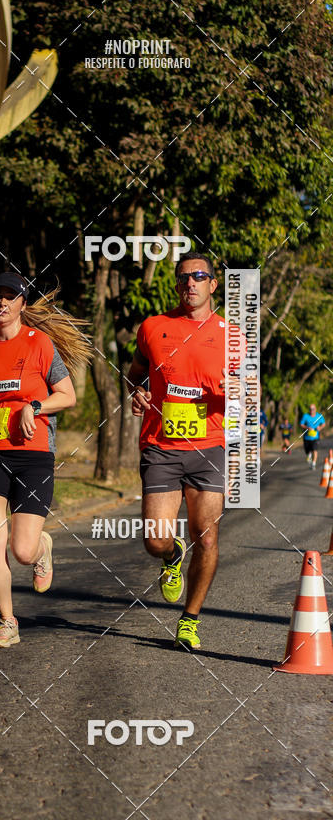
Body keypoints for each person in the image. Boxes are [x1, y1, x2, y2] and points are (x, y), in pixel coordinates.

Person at [0, 273, 91, 648]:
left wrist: (35, 405)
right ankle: (8, 622)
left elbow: (67, 396)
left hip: (33, 456)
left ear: (22, 305)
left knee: (22, 550)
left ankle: (41, 550)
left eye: (9, 297)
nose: (1, 303)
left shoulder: (40, 344)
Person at [127, 251, 236, 651]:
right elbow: (135, 374)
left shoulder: (233, 336)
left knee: (206, 539)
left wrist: (235, 392)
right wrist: (136, 392)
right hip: (161, 447)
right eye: (183, 278)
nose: (189, 283)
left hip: (209, 447)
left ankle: (189, 621)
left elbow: (250, 398)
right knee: (155, 540)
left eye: (199, 276)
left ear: (213, 284)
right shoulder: (154, 327)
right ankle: (172, 556)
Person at [300, 403, 325, 469]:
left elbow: (323, 424)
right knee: (307, 451)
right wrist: (307, 427)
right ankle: (309, 455)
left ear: (315, 409)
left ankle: (314, 463)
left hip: (315, 437)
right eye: (310, 409)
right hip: (307, 437)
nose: (312, 410)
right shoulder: (306, 416)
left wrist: (320, 428)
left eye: (313, 409)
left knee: (315, 450)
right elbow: (301, 424)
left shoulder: (319, 416)